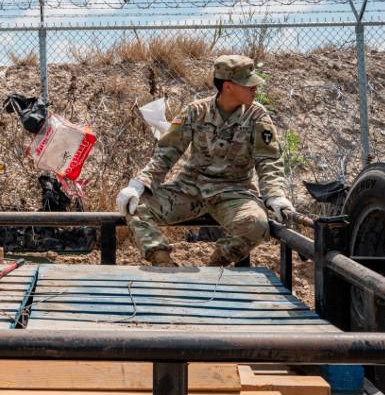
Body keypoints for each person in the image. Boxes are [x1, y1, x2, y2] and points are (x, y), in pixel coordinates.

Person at [116, 54, 295, 267]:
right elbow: (167, 153)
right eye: (248, 84)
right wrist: (139, 184)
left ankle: (216, 266)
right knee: (135, 206)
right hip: (190, 188)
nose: (255, 88)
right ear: (228, 86)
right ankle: (162, 262)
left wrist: (275, 195)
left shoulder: (257, 116)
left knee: (255, 223)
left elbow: (269, 161)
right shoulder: (195, 111)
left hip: (234, 192)